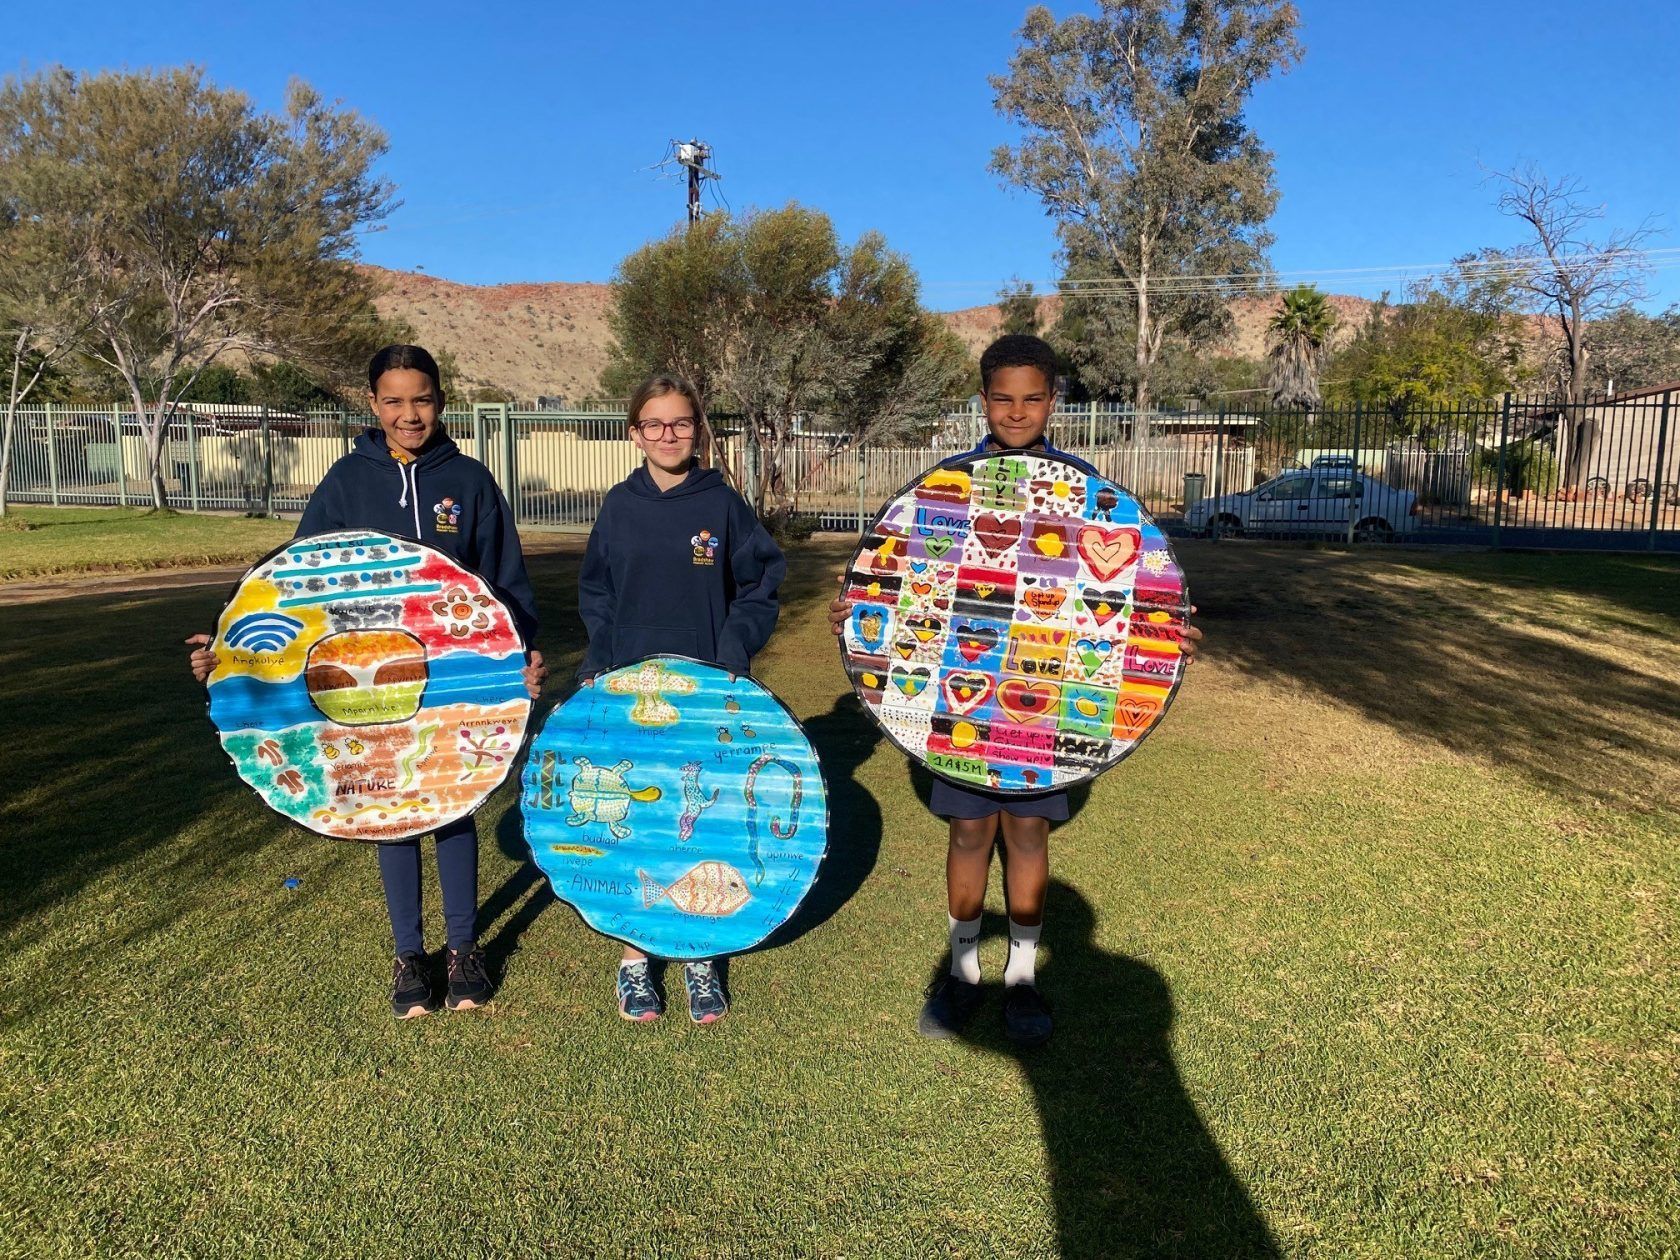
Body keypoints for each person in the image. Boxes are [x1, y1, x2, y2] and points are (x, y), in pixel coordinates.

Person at [828, 334, 1202, 1046]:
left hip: (1046, 696)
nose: (1018, 411)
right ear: (983, 401)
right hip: (964, 706)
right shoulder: (945, 487)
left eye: (1033, 397)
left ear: (1054, 402)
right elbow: (901, 581)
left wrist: (1165, 634)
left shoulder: (1090, 495)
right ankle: (965, 972)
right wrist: (859, 615)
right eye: (1003, 397)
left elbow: (1127, 590)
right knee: (970, 830)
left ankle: (1023, 978)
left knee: (1027, 830)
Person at [187, 344, 546, 1020]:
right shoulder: (347, 482)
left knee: (453, 801)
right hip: (363, 683)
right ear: (372, 404)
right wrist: (226, 647)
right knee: (391, 810)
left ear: (441, 400)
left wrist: (522, 653)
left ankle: (464, 949)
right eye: (394, 401)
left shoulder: (469, 482)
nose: (409, 414)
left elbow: (506, 582)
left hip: (445, 683)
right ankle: (410, 954)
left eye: (422, 399)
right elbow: (288, 581)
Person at [577, 373, 785, 1025]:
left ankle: (698, 954)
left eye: (681, 423)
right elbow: (598, 595)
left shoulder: (722, 504)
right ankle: (636, 963)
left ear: (698, 430)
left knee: (698, 818)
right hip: (629, 694)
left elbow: (759, 587)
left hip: (706, 696)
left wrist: (729, 660)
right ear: (634, 432)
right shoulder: (619, 506)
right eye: (654, 424)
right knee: (634, 821)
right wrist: (599, 664)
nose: (668, 435)